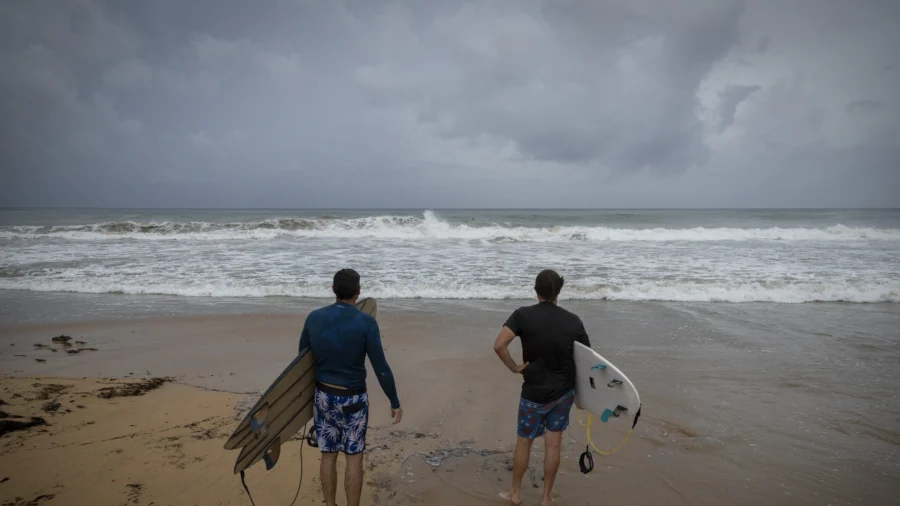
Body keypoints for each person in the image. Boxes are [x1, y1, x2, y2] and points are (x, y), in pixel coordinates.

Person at [298, 268, 402, 506]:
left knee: (328, 454)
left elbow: (302, 360)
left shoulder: (314, 317)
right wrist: (394, 400)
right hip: (353, 401)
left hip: (324, 396)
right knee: (354, 458)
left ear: (333, 290)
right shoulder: (366, 323)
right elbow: (381, 367)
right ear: (358, 292)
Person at [493, 269, 591, 506]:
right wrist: (584, 397)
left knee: (524, 441)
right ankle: (546, 498)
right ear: (559, 291)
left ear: (535, 290)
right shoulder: (573, 321)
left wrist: (514, 367)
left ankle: (514, 494)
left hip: (533, 393)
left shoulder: (522, 316)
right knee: (553, 444)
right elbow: (588, 360)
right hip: (562, 393)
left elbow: (499, 345)